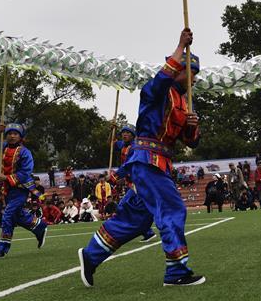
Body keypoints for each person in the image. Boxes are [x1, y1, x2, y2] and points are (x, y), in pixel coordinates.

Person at [78, 28, 205, 287]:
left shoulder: (184, 102)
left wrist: (192, 124)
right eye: (188, 71)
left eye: (194, 74)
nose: (192, 78)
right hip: (148, 161)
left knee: (136, 218)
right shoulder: (159, 90)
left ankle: (91, 255)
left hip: (159, 163)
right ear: (178, 68)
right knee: (171, 209)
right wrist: (180, 46)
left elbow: (190, 141)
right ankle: (176, 271)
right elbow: (158, 82)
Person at [0, 123, 47, 259]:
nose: (12, 136)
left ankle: (2, 249)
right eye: (9, 133)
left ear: (20, 136)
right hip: (7, 190)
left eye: (15, 134)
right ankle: (40, 226)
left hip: (20, 188)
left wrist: (6, 177)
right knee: (18, 216)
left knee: (8, 215)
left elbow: (26, 172)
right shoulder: (3, 147)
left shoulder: (25, 152)